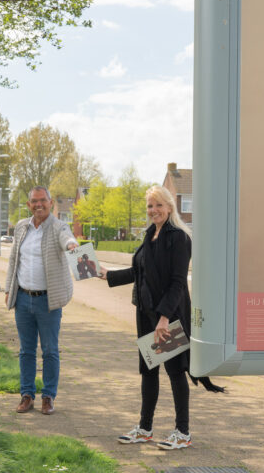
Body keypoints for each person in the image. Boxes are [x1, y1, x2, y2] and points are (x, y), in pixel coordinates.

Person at [99, 185, 223, 451]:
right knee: (149, 371)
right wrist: (107, 275)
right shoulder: (150, 235)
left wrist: (164, 319)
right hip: (145, 314)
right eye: (149, 206)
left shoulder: (178, 238)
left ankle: (183, 431)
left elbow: (178, 283)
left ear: (169, 207)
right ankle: (145, 428)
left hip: (167, 316)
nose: (153, 210)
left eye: (158, 205)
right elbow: (139, 272)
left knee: (175, 371)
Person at [4, 186, 78, 415]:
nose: (39, 205)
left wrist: (72, 245)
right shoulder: (22, 227)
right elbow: (13, 260)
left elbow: (66, 237)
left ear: (50, 202)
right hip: (23, 299)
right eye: (34, 201)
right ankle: (27, 395)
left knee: (49, 350)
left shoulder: (58, 226)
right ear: (29, 205)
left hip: (48, 301)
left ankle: (48, 396)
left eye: (43, 201)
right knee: (26, 351)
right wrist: (8, 288)